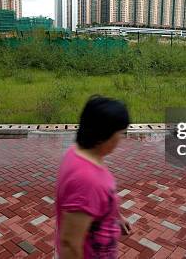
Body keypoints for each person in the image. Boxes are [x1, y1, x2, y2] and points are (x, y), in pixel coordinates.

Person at [55, 95, 132, 259]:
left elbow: (98, 201)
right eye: (120, 133)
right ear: (103, 135)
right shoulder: (87, 180)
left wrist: (116, 216)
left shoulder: (78, 152)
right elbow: (69, 244)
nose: (121, 138)